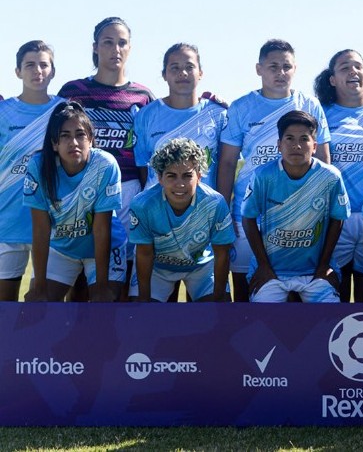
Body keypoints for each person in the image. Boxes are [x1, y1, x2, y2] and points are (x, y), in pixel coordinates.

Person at [218, 39, 331, 302]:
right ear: (259, 69)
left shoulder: (310, 104)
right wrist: (222, 210)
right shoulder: (241, 107)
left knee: (294, 289)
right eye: (273, 67)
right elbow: (227, 163)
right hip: (249, 213)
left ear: (295, 69)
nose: (280, 73)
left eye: (286, 67)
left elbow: (323, 158)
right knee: (248, 285)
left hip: (300, 215)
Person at [57, 17, 155, 299]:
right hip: (82, 193)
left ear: (130, 48)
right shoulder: (73, 92)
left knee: (120, 276)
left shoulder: (143, 96)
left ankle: (119, 342)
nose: (116, 49)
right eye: (108, 42)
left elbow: (149, 151)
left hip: (128, 192)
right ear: (95, 47)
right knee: (81, 275)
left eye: (122, 42)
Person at [23, 102, 126, 302]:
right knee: (36, 306)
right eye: (65, 136)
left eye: (80, 134)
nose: (74, 142)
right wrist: (40, 287)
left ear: (91, 139)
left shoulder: (105, 164)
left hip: (102, 247)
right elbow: (41, 229)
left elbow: (101, 229)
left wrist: (102, 286)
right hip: (62, 248)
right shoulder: (38, 166)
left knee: (102, 305)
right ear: (54, 143)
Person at [242, 110, 348, 303]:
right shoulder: (263, 176)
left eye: (304, 139)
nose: (296, 146)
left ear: (314, 146)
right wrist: (264, 266)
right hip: (274, 270)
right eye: (289, 138)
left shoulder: (330, 177)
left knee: (329, 317)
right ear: (279, 145)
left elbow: (337, 219)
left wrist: (324, 265)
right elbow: (248, 218)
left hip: (314, 271)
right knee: (261, 321)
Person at [313, 49, 363, 302]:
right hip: (336, 219)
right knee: (337, 298)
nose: (353, 72)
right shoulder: (320, 114)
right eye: (345, 67)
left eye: (358, 66)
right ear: (332, 79)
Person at [128, 138, 234, 302]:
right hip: (158, 268)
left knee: (219, 313)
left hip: (201, 266)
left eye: (187, 176)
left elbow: (222, 255)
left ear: (199, 176)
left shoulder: (215, 203)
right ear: (160, 178)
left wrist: (218, 304)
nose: (180, 184)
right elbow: (144, 253)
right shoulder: (143, 204)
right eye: (171, 176)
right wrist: (144, 303)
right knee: (142, 317)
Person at [0, 41, 64, 301]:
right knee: (4, 306)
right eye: (30, 65)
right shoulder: (4, 111)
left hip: (55, 222)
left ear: (52, 71)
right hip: (9, 221)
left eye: (43, 65)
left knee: (47, 306)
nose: (37, 70)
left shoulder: (65, 110)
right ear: (18, 71)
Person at [133, 43, 227, 190]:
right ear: (164, 74)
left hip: (205, 208)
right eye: (175, 67)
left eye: (189, 67)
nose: (183, 72)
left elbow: (226, 165)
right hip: (157, 208)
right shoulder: (145, 115)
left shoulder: (218, 114)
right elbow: (142, 167)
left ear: (200, 73)